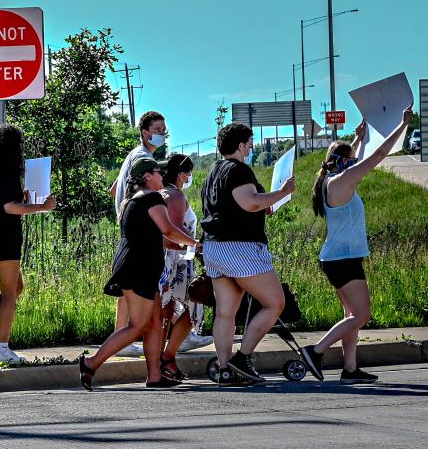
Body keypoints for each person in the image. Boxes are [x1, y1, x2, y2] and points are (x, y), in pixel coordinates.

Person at [299, 110, 414, 384]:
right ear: (341, 162)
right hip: (343, 260)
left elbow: (357, 159)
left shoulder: (331, 180)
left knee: (350, 315)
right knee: (362, 315)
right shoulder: (340, 182)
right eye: (349, 160)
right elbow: (377, 157)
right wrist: (402, 125)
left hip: (338, 258)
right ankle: (314, 351)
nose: (354, 163)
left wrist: (357, 138)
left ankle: (350, 370)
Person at [78, 158, 199, 390]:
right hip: (139, 267)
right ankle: (91, 363)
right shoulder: (152, 198)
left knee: (154, 323)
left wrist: (184, 247)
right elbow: (168, 229)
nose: (162, 174)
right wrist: (195, 243)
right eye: (157, 171)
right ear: (147, 176)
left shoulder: (133, 200)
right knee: (138, 325)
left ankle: (154, 376)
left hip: (139, 265)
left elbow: (158, 237)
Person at [201, 123, 296, 384]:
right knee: (275, 303)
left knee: (225, 312)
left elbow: (241, 205)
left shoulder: (213, 172)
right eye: (250, 143)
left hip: (214, 247)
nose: (252, 147)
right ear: (241, 145)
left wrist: (266, 203)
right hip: (241, 247)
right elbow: (250, 202)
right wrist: (282, 193)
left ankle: (224, 369)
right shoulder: (239, 170)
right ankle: (242, 358)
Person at [0, 125, 57, 364]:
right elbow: (9, 208)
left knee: (16, 288)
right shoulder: (7, 169)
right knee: (9, 293)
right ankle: (3, 348)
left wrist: (23, 200)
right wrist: (41, 207)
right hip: (3, 233)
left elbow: (3, 202)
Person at [153, 154, 202, 381]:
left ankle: (165, 358)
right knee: (187, 308)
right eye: (189, 172)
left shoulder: (164, 193)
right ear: (182, 174)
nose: (190, 177)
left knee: (171, 311)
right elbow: (169, 232)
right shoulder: (175, 195)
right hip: (176, 261)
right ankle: (165, 358)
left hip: (176, 259)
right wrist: (194, 246)